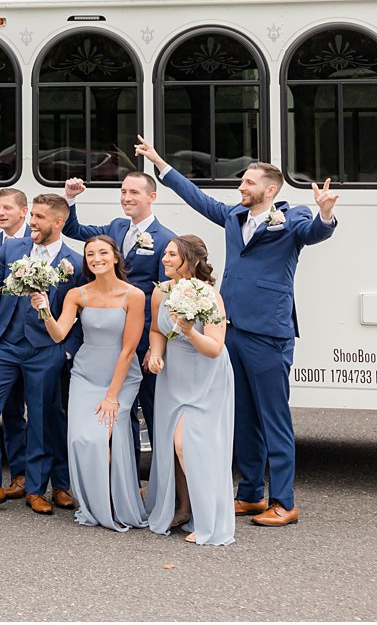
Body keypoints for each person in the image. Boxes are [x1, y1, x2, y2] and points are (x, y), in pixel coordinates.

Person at [135, 135, 339, 527]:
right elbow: (198, 199)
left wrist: (325, 215)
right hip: (232, 330)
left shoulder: (293, 218)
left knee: (273, 417)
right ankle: (249, 494)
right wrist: (160, 163)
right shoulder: (233, 217)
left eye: (248, 182)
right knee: (243, 416)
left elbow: (315, 233)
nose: (240, 187)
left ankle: (284, 501)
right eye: (241, 182)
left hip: (270, 331)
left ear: (270, 189)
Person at [0, 193, 85, 515]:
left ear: (58, 223)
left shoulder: (75, 262)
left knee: (42, 419)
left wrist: (65, 353)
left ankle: (36, 490)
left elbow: (82, 315)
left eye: (39, 217)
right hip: (4, 345)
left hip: (45, 350)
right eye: (33, 216)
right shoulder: (12, 248)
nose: (32, 222)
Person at [34, 236, 148, 531]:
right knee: (81, 439)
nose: (96, 258)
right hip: (85, 373)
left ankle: (112, 502)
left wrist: (112, 395)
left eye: (102, 253)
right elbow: (59, 334)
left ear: (114, 258)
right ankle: (94, 503)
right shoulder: (77, 294)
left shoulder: (133, 295)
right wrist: (45, 309)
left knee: (101, 438)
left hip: (120, 377)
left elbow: (128, 349)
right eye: (90, 254)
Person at [63, 172, 177, 460]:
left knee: (150, 412)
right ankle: (127, 483)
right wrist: (70, 198)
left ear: (152, 197)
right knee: (117, 417)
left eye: (134, 193)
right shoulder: (115, 226)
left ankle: (161, 489)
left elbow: (163, 296)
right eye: (124, 191)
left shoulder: (165, 239)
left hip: (142, 341)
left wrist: (154, 344)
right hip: (109, 339)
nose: (127, 198)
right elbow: (73, 229)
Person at [145, 235, 235, 546]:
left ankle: (208, 517)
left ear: (192, 260)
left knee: (189, 444)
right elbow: (156, 330)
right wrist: (155, 353)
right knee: (172, 443)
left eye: (172, 254)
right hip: (174, 376)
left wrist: (187, 332)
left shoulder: (209, 295)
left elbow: (214, 347)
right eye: (165, 254)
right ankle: (182, 509)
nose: (165, 259)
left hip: (206, 376)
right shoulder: (161, 291)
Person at [0, 188, 31, 500]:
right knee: (10, 411)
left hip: (36, 342)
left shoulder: (37, 243)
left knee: (43, 412)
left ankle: (53, 481)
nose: (1, 213)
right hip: (1, 338)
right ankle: (19, 475)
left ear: (23, 212)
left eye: (7, 208)